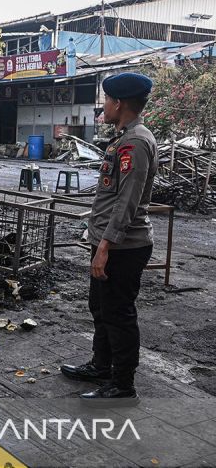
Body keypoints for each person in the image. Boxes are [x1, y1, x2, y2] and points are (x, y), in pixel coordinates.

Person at [61, 73, 157, 402]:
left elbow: (127, 201)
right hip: (108, 241)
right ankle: (101, 366)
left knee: (118, 314)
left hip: (123, 246)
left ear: (119, 103)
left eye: (106, 100)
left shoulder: (135, 143)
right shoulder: (124, 138)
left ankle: (122, 384)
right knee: (100, 308)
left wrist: (104, 247)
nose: (104, 106)